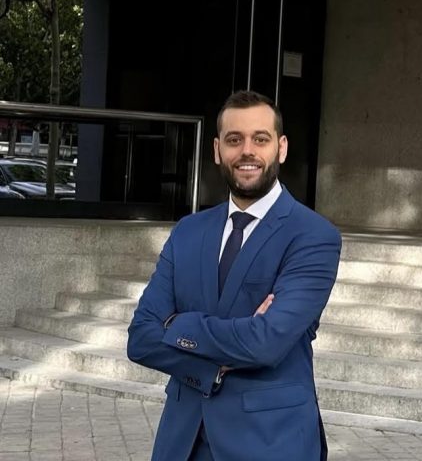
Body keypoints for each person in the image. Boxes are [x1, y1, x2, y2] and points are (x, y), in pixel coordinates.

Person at [127, 90, 341, 461]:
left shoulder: (313, 236)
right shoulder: (188, 231)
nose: (247, 151)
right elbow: (141, 338)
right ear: (217, 150)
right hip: (182, 442)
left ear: (281, 148)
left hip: (270, 442)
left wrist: (175, 325)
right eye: (234, 140)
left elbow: (266, 342)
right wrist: (219, 359)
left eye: (261, 139)